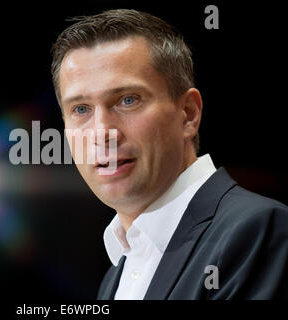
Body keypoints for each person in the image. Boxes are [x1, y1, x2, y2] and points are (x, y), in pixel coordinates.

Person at [50, 9, 288, 299]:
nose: (102, 132)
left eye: (127, 100)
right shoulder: (115, 276)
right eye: (81, 109)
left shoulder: (258, 229)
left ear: (188, 114)